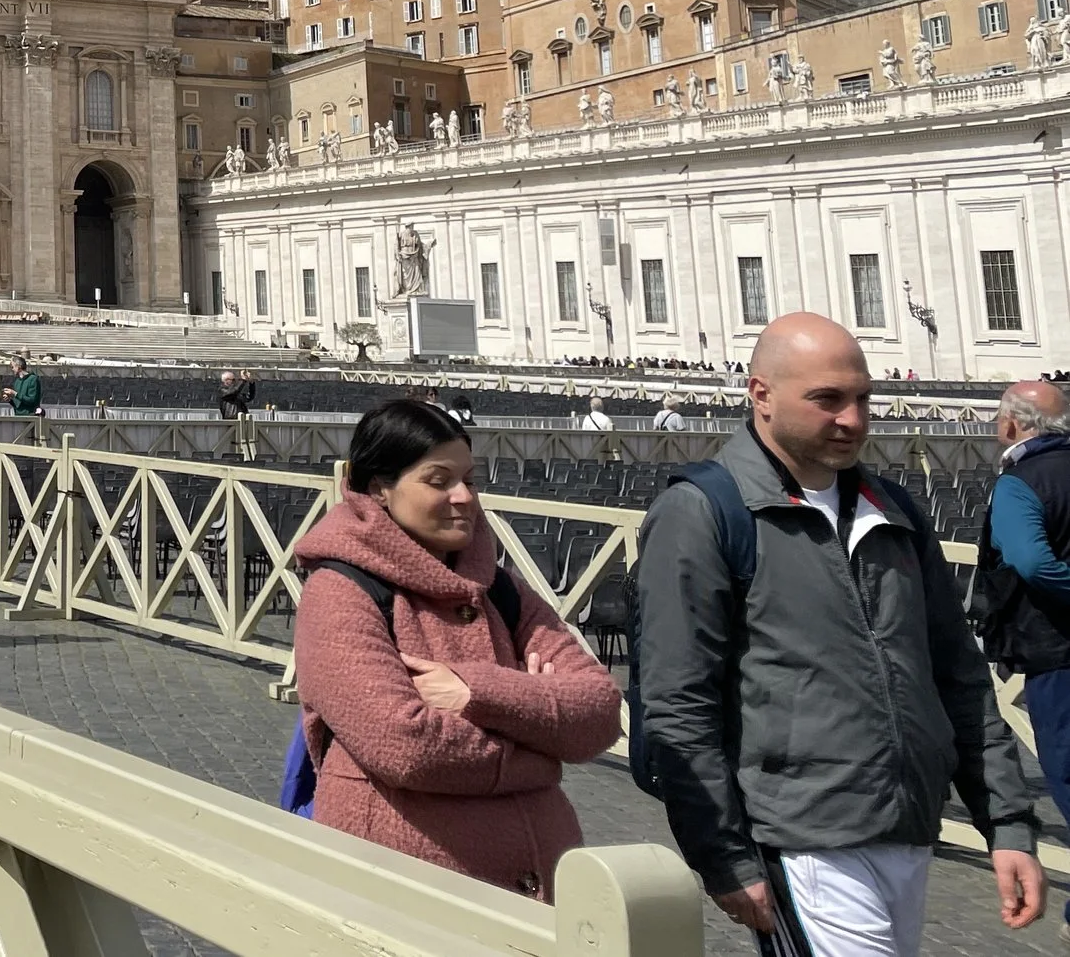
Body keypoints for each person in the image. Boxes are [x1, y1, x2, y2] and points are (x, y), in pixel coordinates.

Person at [636, 313, 1043, 952]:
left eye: (862, 399)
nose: (852, 420)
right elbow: (676, 699)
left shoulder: (897, 510)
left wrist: (1008, 823)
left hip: (907, 824)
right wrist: (724, 856)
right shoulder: (702, 513)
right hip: (802, 834)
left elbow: (957, 676)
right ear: (761, 394)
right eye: (827, 399)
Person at [292, 398, 620, 900]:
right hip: (406, 893)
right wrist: (540, 749)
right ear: (379, 487)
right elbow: (405, 747)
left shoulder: (503, 590)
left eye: (471, 479)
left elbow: (599, 712)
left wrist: (477, 690)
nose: (465, 496)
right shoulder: (338, 591)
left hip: (541, 896)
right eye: (439, 480)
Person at [975, 379, 1070, 947]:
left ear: (1012, 425)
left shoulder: (1018, 482)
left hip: (1057, 650)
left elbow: (1030, 561)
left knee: (1066, 769)